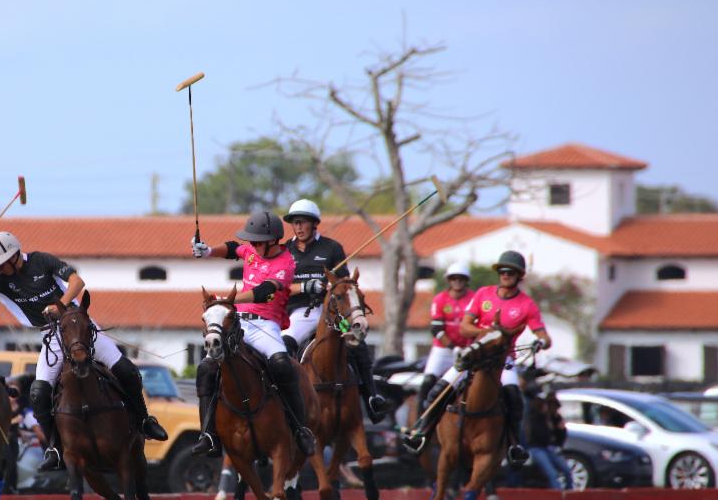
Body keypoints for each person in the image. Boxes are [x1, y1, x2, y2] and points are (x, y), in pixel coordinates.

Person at [0, 232, 168, 471]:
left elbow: (77, 282)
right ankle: (54, 447)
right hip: (51, 335)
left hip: (77, 325)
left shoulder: (41, 260)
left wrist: (60, 306)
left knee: (127, 370)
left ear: (14, 256)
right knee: (38, 393)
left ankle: (144, 420)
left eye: (1, 263)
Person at [403, 250, 552, 465]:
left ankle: (514, 445)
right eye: (502, 271)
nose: (505, 275)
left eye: (510, 272)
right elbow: (465, 327)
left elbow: (543, 335)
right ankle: (422, 432)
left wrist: (541, 342)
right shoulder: (483, 294)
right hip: (475, 355)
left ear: (520, 276)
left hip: (503, 359)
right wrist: (488, 334)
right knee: (438, 390)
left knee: (514, 396)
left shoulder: (526, 305)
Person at [189, 211, 318, 457]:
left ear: (273, 241)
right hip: (238, 322)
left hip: (265, 325)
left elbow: (264, 291)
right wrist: (208, 251)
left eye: (258, 242)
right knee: (207, 368)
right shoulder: (252, 250)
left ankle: (299, 429)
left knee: (282, 364)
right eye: (253, 241)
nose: (254, 245)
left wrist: (229, 300)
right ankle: (208, 435)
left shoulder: (286, 262)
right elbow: (232, 248)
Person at [280, 199, 387, 422]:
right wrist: (305, 286)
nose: (298, 227)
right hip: (299, 313)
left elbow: (345, 284)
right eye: (295, 222)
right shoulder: (284, 252)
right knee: (284, 345)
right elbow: (277, 287)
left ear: (314, 224)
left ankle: (371, 397)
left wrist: (331, 285)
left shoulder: (332, 248)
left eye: (303, 222)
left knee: (357, 343)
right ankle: (284, 401)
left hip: (331, 312)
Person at [415, 262, 475, 417]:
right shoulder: (440, 299)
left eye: (461, 278)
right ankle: (419, 421)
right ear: (449, 280)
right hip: (442, 351)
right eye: (454, 278)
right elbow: (436, 329)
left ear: (466, 280)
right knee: (428, 381)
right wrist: (453, 347)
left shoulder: (474, 299)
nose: (457, 281)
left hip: (467, 351)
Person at [522, 369, 574, 490]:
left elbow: (560, 437)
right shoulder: (535, 416)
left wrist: (560, 429)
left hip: (550, 447)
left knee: (566, 470)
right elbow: (535, 434)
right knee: (552, 473)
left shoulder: (553, 417)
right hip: (538, 447)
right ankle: (557, 493)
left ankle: (569, 491)